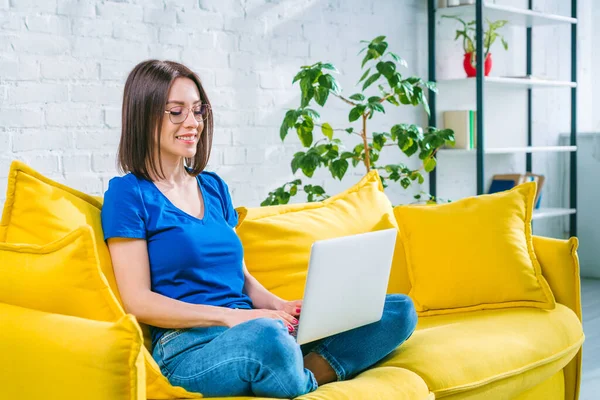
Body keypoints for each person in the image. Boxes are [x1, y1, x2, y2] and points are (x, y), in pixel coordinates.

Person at [101, 59, 418, 398]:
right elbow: (138, 301)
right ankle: (305, 376)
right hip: (189, 347)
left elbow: (240, 274)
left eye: (198, 110)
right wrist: (230, 319)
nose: (192, 123)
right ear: (144, 116)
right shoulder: (128, 194)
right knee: (268, 339)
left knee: (398, 310)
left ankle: (296, 370)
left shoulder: (212, 187)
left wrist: (278, 305)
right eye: (176, 112)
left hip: (253, 325)